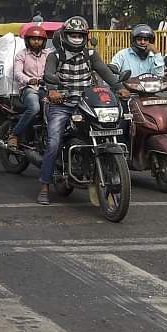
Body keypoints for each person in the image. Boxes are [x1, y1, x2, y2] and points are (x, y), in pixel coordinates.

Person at [37, 15, 117, 205]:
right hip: (61, 105)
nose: (76, 38)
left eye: (80, 35)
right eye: (72, 34)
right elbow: (48, 74)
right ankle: (44, 186)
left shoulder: (90, 54)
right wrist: (53, 90)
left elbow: (104, 71)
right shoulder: (55, 56)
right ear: (65, 35)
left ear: (86, 36)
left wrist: (119, 86)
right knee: (54, 142)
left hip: (86, 104)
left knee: (108, 128)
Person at [6, 23, 50, 149]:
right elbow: (17, 73)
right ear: (28, 40)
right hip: (28, 89)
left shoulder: (49, 54)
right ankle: (14, 135)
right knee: (35, 108)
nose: (36, 42)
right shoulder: (22, 54)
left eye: (39, 39)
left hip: (46, 88)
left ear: (44, 41)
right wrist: (29, 80)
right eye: (33, 39)